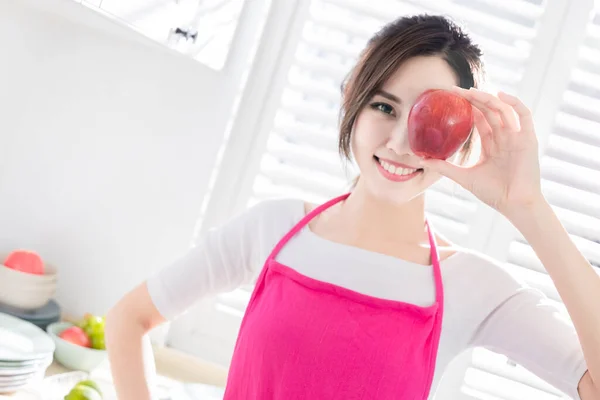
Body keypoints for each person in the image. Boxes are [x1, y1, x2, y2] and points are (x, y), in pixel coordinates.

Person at [105, 14, 600, 400]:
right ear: (352, 103)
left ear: (459, 139)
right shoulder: (273, 229)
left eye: (428, 119)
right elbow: (128, 320)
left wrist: (529, 208)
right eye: (384, 107)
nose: (401, 142)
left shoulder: (471, 286)